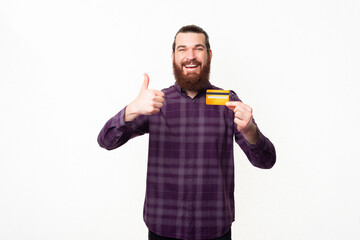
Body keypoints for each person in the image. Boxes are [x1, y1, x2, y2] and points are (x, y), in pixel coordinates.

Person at [97, 25, 276, 240]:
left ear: (209, 55)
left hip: (214, 229)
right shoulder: (155, 102)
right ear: (173, 57)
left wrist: (250, 130)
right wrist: (131, 110)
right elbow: (106, 141)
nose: (190, 56)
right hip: (163, 227)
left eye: (198, 48)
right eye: (182, 49)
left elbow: (266, 161)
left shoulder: (228, 102)